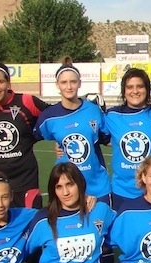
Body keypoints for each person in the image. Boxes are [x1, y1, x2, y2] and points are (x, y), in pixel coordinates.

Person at [35, 58, 111, 203]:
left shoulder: (94, 110)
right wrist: (58, 143)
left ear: (79, 83)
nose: (69, 87)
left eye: (73, 82)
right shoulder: (49, 117)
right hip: (66, 189)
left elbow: (107, 139)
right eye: (64, 82)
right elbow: (31, 137)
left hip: (97, 187)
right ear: (57, 85)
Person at [0, 61, 50, 208]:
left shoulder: (27, 102)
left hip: (25, 183)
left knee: (30, 222)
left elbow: (57, 117)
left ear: (8, 83)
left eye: (0, 82)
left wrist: (59, 142)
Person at [102, 68, 151, 208]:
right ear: (124, 91)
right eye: (130, 87)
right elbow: (95, 136)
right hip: (122, 193)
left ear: (147, 89)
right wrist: (61, 146)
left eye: (140, 86)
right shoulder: (112, 116)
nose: (135, 91)